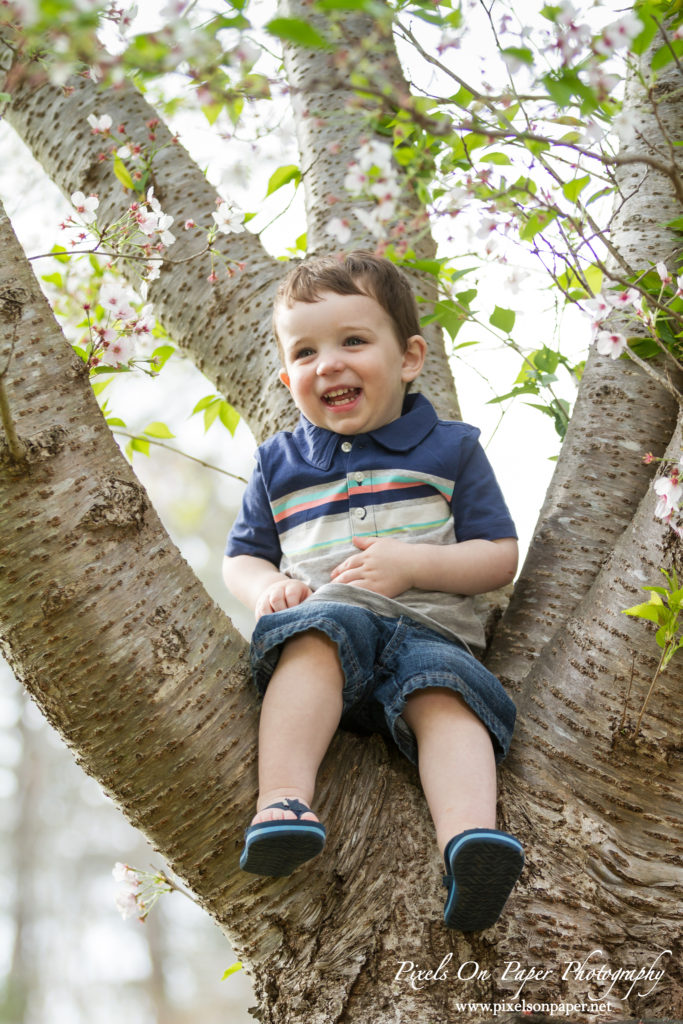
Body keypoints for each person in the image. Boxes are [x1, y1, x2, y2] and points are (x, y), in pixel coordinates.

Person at [223, 251, 524, 932]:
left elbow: (498, 555)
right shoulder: (279, 462)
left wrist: (414, 567)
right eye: (305, 351)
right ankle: (283, 802)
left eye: (352, 341)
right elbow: (241, 556)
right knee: (312, 645)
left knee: (445, 696)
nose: (327, 363)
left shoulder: (450, 448)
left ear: (409, 357)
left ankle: (468, 842)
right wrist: (268, 585)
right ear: (286, 375)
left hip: (431, 632)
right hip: (332, 619)